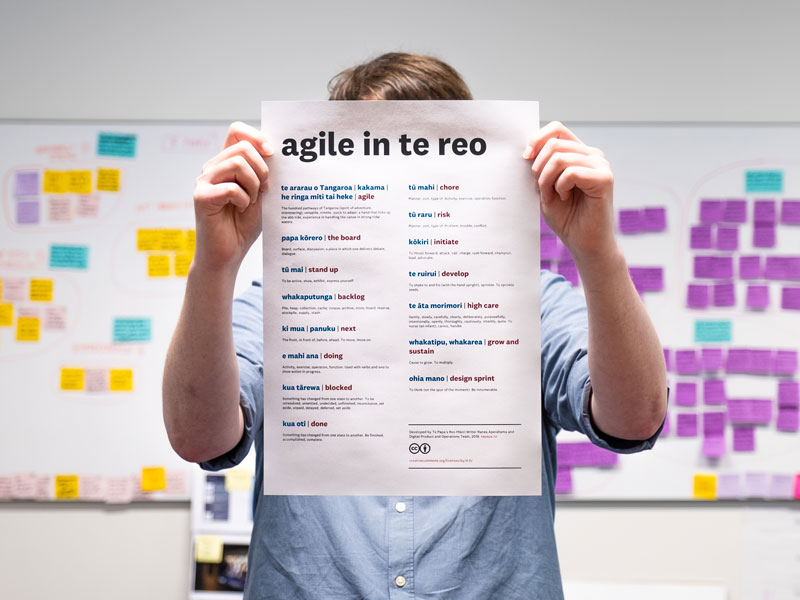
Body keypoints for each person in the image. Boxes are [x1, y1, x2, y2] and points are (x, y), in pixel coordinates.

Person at [163, 52, 667, 599]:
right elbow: (199, 439)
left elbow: (633, 421)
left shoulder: (532, 302)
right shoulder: (280, 305)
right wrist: (215, 265)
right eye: (370, 154)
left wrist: (598, 254)